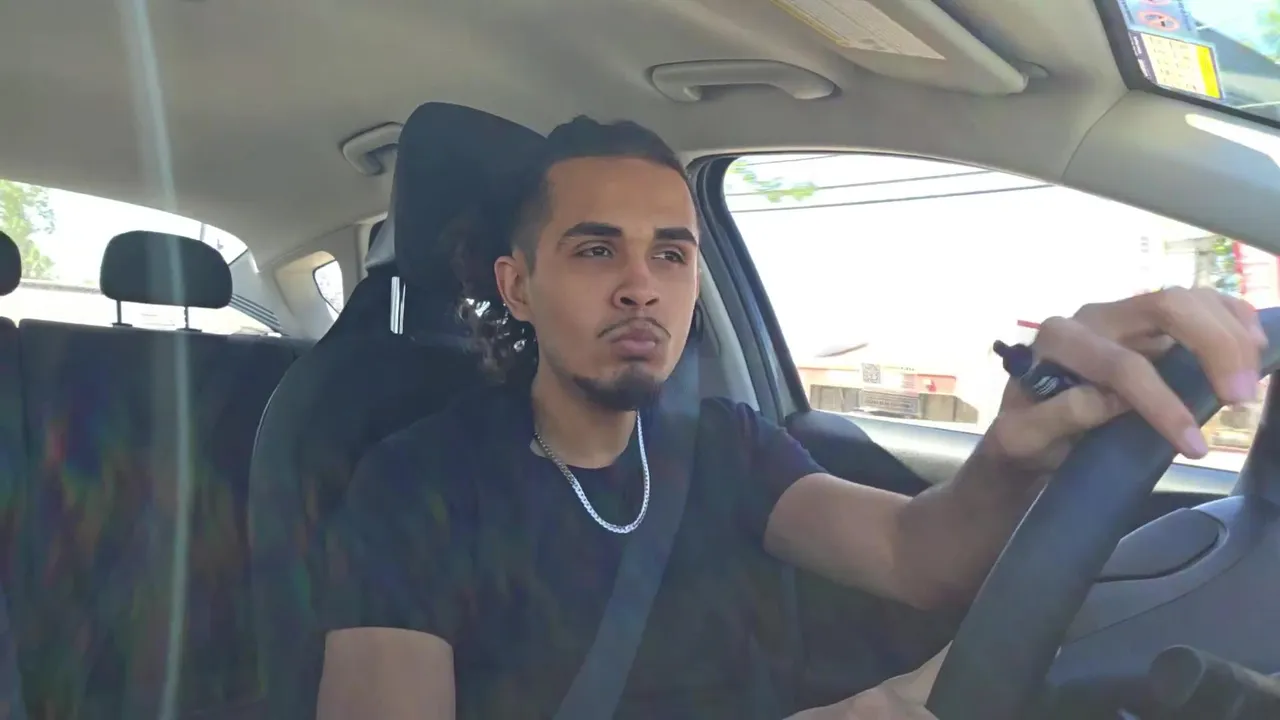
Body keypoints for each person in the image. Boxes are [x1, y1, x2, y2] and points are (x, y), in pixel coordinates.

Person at [316, 116, 1265, 720]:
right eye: (597, 251)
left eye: (672, 255)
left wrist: (1012, 452)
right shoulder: (415, 487)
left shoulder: (721, 445)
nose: (643, 286)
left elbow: (914, 556)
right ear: (518, 286)